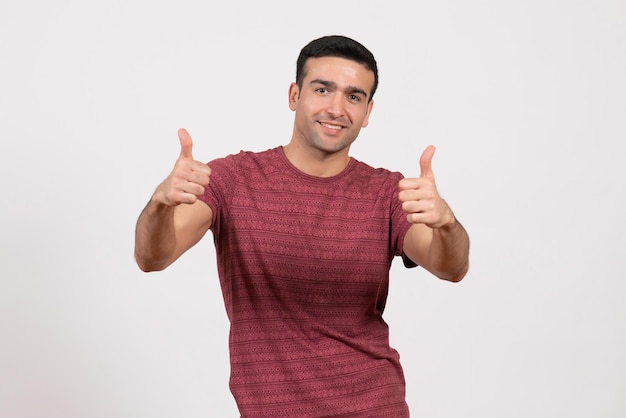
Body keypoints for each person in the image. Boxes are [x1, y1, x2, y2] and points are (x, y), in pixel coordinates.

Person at [134, 35, 469, 417]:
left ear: (368, 111)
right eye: (323, 89)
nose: (337, 108)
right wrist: (161, 204)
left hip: (375, 406)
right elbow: (152, 258)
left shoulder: (388, 193)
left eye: (354, 97)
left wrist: (446, 223)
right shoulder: (233, 180)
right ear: (294, 95)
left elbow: (451, 267)